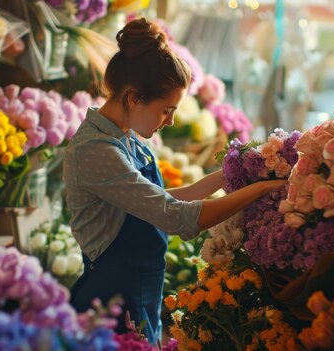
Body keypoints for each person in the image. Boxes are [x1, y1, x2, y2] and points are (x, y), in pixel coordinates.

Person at [63, 17, 286, 346]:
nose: (170, 121)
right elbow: (175, 215)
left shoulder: (125, 136)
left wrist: (233, 174)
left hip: (139, 290)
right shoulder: (96, 150)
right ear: (134, 98)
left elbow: (157, 199)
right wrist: (260, 190)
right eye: (166, 110)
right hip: (113, 296)